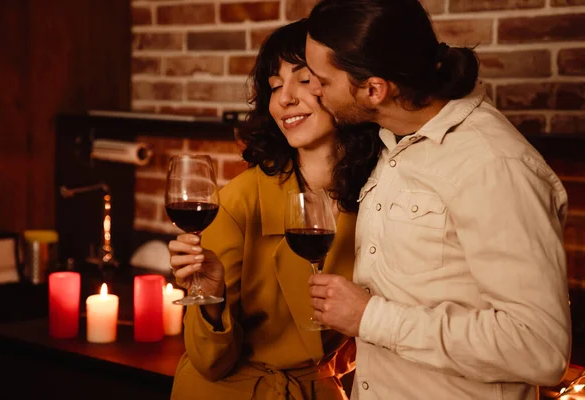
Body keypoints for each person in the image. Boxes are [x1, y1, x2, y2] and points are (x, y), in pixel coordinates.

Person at [304, 1, 571, 399]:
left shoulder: (492, 164)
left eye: (322, 80)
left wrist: (370, 317)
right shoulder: (391, 141)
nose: (314, 90)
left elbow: (540, 347)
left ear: (374, 89)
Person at [169, 19, 382, 400]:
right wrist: (211, 300)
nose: (284, 98)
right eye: (273, 86)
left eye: (303, 79)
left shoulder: (382, 194)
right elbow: (208, 362)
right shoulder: (238, 202)